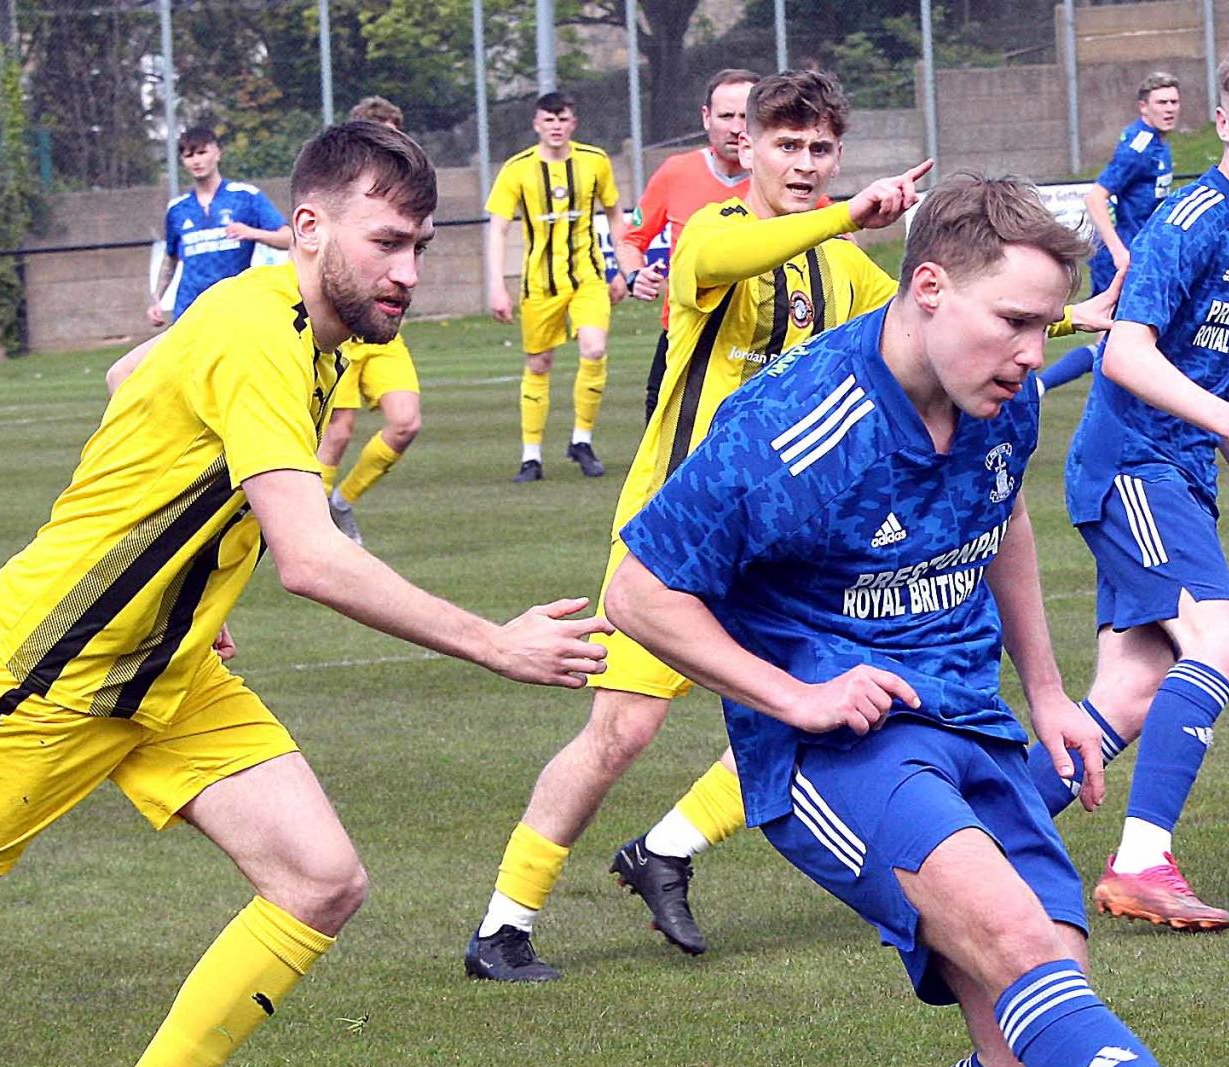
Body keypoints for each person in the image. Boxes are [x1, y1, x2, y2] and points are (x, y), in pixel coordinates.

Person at [0, 120, 606, 1067]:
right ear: (308, 227)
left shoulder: (310, 330)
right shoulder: (261, 327)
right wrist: (497, 644)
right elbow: (314, 555)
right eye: (387, 242)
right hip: (51, 667)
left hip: (171, 667)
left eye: (422, 247)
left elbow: (127, 379)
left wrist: (188, 572)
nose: (407, 270)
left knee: (319, 878)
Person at [602, 174, 1229, 1067]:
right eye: (1014, 323)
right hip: (835, 749)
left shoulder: (999, 398)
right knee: (1030, 960)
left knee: (1034, 1054)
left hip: (975, 726)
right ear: (928, 288)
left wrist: (1046, 696)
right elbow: (638, 592)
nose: (1035, 354)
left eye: (1048, 328)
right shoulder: (796, 421)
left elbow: (1008, 522)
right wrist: (793, 696)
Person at [466, 71, 1117, 979]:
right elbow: (727, 266)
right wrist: (848, 215)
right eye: (784, 145)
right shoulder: (716, 232)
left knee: (832, 708)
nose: (804, 165)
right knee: (624, 730)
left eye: (821, 150)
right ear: (744, 149)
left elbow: (925, 316)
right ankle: (505, 919)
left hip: (796, 547)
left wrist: (1055, 318)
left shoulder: (845, 265)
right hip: (685, 539)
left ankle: (668, 847)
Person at [1047, 43, 1229, 931]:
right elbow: (1126, 350)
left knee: (1125, 696)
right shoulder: (1193, 216)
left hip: (1177, 469)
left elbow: (1207, 362)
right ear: (1226, 123)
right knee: (1223, 641)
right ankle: (1138, 863)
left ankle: (959, 837)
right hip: (1132, 464)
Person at [485, 91, 633, 483]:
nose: (555, 126)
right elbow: (498, 228)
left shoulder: (595, 161)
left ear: (573, 123)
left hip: (588, 277)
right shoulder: (517, 169)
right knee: (539, 363)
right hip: (540, 284)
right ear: (536, 124)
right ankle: (531, 456)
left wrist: (621, 268)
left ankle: (581, 440)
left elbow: (617, 216)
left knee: (595, 347)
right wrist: (496, 285)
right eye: (548, 120)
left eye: (562, 119)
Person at [623, 68, 760, 423]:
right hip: (685, 337)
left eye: (746, 116)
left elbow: (838, 240)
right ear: (706, 117)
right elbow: (631, 239)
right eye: (726, 115)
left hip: (760, 343)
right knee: (664, 459)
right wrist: (634, 275)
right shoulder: (675, 172)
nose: (736, 127)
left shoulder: (783, 176)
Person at [1037, 72, 1181, 397]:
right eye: (1162, 102)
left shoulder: (1157, 143)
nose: (1170, 108)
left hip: (1139, 255)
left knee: (1121, 339)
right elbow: (1096, 197)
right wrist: (1118, 251)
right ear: (1144, 107)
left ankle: (1044, 386)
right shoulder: (1139, 147)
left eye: (1174, 101)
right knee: (1116, 338)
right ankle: (1044, 387)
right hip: (1121, 259)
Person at [319, 97, 423, 543]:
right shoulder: (339, 194)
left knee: (405, 423)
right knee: (337, 433)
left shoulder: (413, 200)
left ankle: (341, 503)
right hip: (341, 333)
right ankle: (314, 526)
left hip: (381, 334)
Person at [148, 125, 293, 328]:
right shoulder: (177, 209)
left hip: (236, 308)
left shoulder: (245, 196)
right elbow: (170, 261)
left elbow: (288, 239)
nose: (196, 160)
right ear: (183, 161)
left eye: (202, 152)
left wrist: (252, 233)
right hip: (189, 311)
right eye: (189, 155)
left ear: (218, 153)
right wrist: (157, 300)